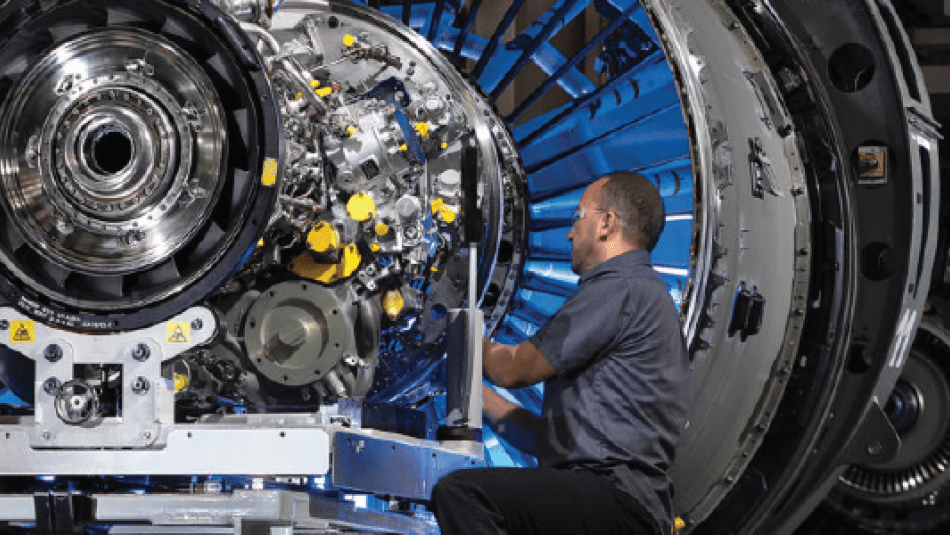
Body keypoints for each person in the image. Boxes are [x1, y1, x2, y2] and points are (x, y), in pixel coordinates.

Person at [430, 172, 691, 535]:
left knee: (464, 495)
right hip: (620, 507)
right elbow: (545, 440)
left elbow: (513, 370)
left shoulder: (620, 289)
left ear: (606, 223)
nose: (570, 233)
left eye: (578, 217)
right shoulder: (642, 294)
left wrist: (454, 316)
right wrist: (458, 385)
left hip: (614, 502)